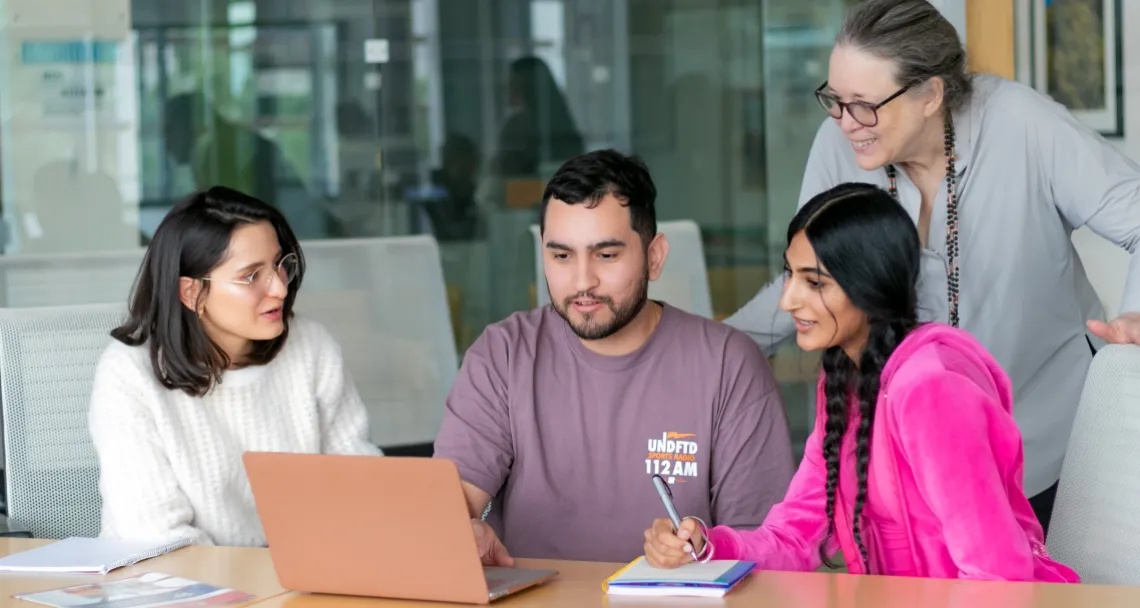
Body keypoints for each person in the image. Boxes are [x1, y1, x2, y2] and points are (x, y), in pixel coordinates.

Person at [723, 0, 1140, 537]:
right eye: (834, 100)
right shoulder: (838, 144)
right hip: (907, 463)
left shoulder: (1023, 124)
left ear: (930, 94)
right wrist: (715, 346)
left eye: (865, 105)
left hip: (1046, 443)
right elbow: (814, 278)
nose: (845, 123)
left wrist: (1134, 312)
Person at [644, 183, 1081, 582]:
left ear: (869, 284)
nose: (787, 300)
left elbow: (996, 575)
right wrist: (708, 545)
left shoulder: (931, 389)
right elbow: (797, 536)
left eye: (814, 282)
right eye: (790, 275)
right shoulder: (844, 384)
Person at [434, 149, 795, 564]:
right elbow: (450, 504)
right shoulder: (504, 355)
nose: (583, 280)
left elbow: (765, 553)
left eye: (606, 255)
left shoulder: (729, 365)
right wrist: (464, 528)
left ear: (654, 257)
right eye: (561, 255)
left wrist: (699, 552)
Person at [89, 186, 380, 546]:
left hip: (295, 579)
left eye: (280, 264)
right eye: (251, 276)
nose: (279, 288)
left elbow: (361, 484)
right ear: (192, 293)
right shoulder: (129, 374)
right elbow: (157, 538)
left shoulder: (311, 346)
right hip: (174, 586)